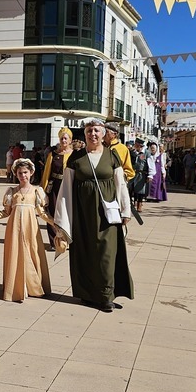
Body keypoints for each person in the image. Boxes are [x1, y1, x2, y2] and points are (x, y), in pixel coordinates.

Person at [54, 118, 134, 313]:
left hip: (108, 215)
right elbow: (66, 188)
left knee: (107, 253)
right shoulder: (76, 158)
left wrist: (126, 210)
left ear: (103, 133)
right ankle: (88, 294)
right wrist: (63, 218)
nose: (93, 135)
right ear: (85, 134)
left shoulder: (112, 156)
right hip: (82, 214)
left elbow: (120, 184)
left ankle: (106, 296)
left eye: (97, 131)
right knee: (85, 253)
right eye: (90, 131)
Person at [0, 159, 54, 302]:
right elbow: (6, 212)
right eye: (19, 173)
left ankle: (34, 286)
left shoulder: (37, 191)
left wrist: (54, 222)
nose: (23, 175)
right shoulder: (12, 192)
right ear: (16, 174)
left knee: (32, 253)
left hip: (31, 228)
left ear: (31, 173)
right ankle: (16, 287)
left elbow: (42, 212)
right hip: (14, 228)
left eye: (25, 172)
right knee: (15, 254)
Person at [40, 128, 73, 242]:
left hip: (69, 186)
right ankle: (54, 240)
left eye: (65, 138)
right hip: (55, 186)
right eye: (61, 138)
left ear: (70, 140)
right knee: (52, 212)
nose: (63, 140)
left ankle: (67, 238)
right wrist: (43, 190)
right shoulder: (53, 154)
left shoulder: (75, 155)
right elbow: (46, 172)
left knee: (68, 212)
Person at [130, 139, 149, 211]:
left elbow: (150, 164)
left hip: (142, 173)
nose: (135, 145)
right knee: (132, 189)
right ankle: (132, 203)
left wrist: (150, 175)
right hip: (132, 172)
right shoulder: (132, 152)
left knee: (141, 190)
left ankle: (139, 204)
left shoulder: (146, 153)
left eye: (137, 144)